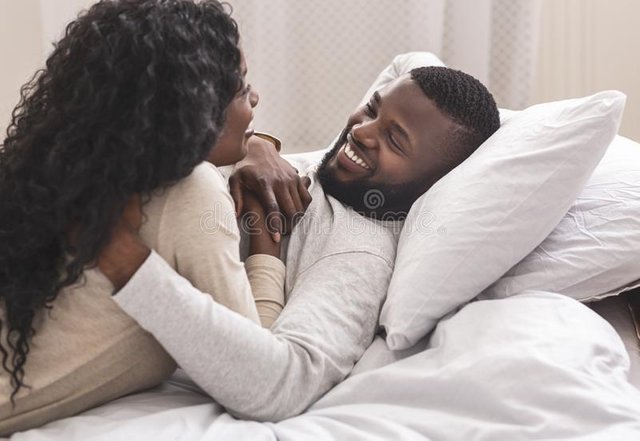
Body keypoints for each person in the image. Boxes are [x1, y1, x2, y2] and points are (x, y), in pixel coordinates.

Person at [98, 64, 501, 421]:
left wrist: (123, 259)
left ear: (435, 182)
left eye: (396, 140)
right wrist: (257, 147)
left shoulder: (358, 252)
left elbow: (274, 385)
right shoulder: (321, 173)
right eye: (373, 109)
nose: (362, 131)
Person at [0, 0, 310, 434]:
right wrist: (266, 241)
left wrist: (258, 145)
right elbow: (259, 378)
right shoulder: (190, 192)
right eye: (241, 89)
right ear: (195, 110)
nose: (256, 97)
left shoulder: (63, 172)